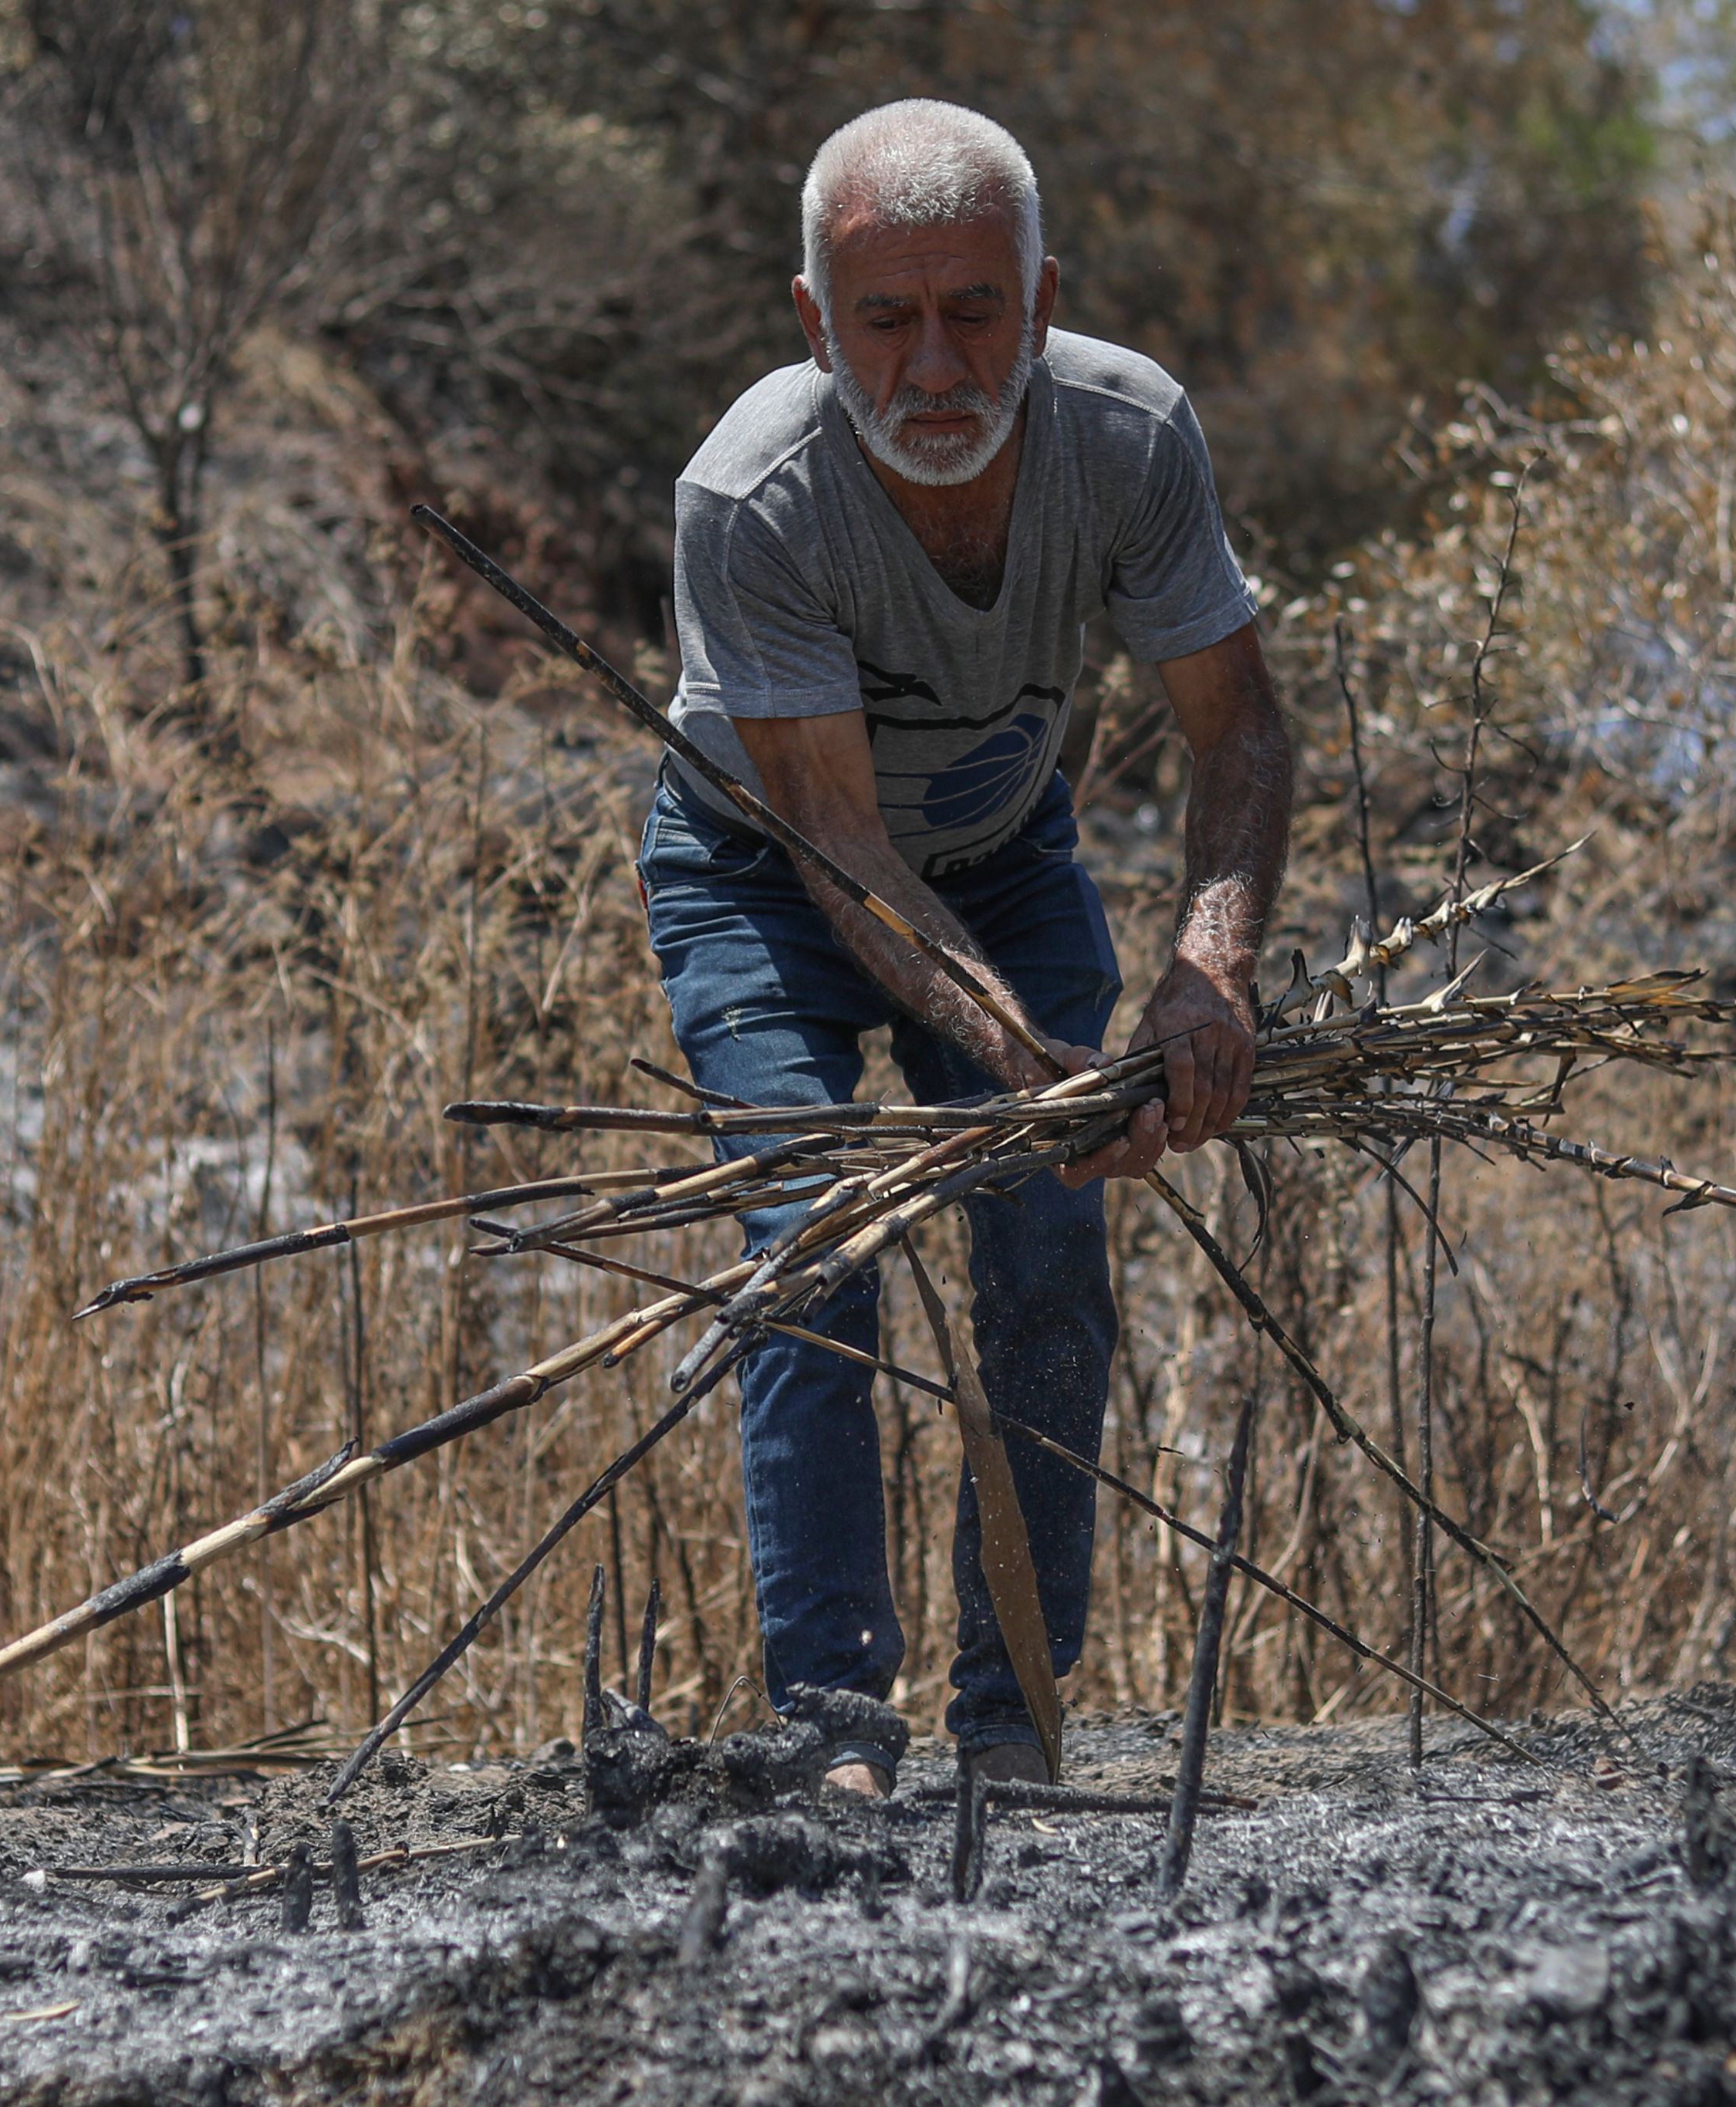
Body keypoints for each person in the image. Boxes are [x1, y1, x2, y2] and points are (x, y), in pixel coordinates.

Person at [642, 98, 1292, 1795]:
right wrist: (1029, 1059)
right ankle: (837, 1732)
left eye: (972, 312)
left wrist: (1206, 967)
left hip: (1003, 856)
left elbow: (1235, 731)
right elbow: (839, 848)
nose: (933, 365)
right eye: (883, 318)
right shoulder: (752, 491)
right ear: (812, 323)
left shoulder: (1130, 437)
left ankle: (1011, 1722)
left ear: (1041, 297)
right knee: (813, 1236)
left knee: (1046, 1237)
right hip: (768, 866)